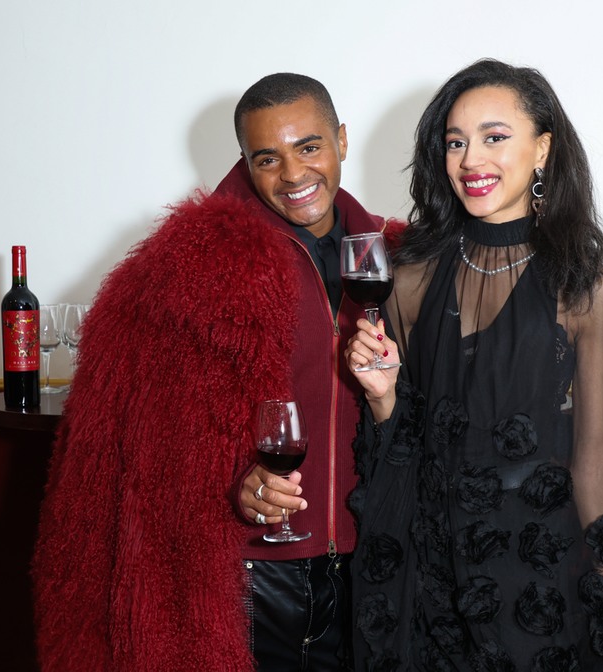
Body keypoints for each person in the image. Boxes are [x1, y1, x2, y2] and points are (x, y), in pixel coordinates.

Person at [344, 59, 603, 671]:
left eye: (494, 137)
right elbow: (400, 450)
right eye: (455, 142)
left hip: (545, 572)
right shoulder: (408, 280)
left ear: (542, 149)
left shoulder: (586, 292)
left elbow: (593, 462)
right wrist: (382, 397)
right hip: (436, 578)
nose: (470, 160)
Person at [31, 73, 397, 671]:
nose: (294, 175)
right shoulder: (195, 266)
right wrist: (238, 482)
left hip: (370, 569)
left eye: (309, 147)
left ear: (342, 141)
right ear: (245, 164)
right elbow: (150, 440)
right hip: (250, 581)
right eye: (267, 159)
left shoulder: (393, 256)